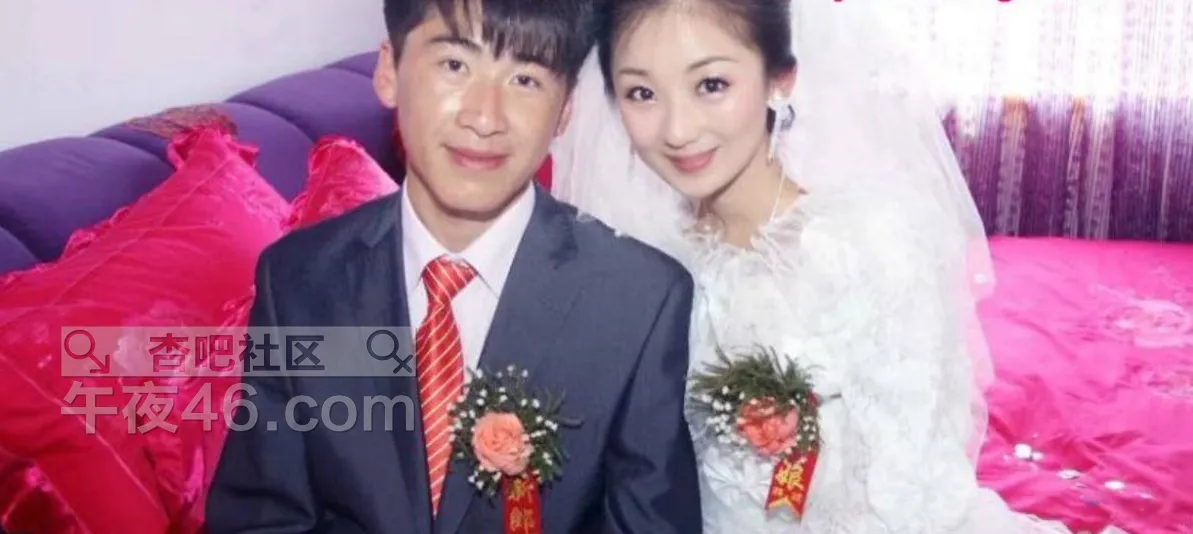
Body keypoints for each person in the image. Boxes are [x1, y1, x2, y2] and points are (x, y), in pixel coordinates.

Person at [550, 0, 1083, 532]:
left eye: (711, 84)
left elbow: (915, 491)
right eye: (642, 93)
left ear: (779, 81)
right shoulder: (643, 263)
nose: (678, 128)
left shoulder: (873, 242)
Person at [205, 0, 702, 532]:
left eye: (526, 79)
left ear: (565, 110)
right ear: (390, 71)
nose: (484, 118)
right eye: (455, 65)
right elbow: (262, 517)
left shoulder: (638, 301)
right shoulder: (300, 282)